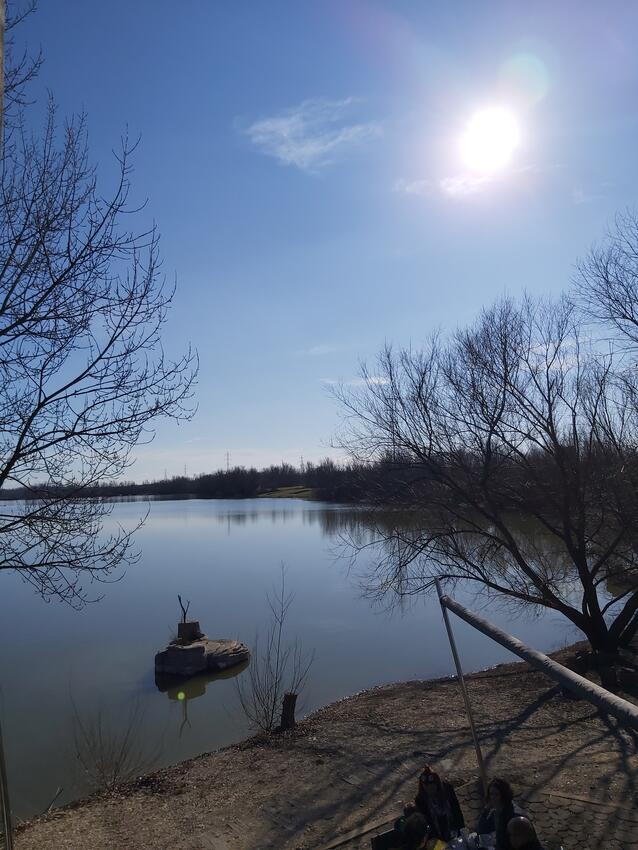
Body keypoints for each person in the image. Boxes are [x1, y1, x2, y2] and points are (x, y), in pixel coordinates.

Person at [405, 764, 465, 843]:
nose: (428, 789)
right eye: (425, 786)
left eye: (431, 786)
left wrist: (462, 831)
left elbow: (457, 811)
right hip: (437, 834)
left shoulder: (447, 790)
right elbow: (427, 823)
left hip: (453, 828)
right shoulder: (420, 800)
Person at [476, 778, 525, 850]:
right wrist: (486, 810)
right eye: (491, 794)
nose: (493, 798)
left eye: (496, 794)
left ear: (504, 795)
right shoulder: (496, 812)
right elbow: (481, 830)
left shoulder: (514, 815)